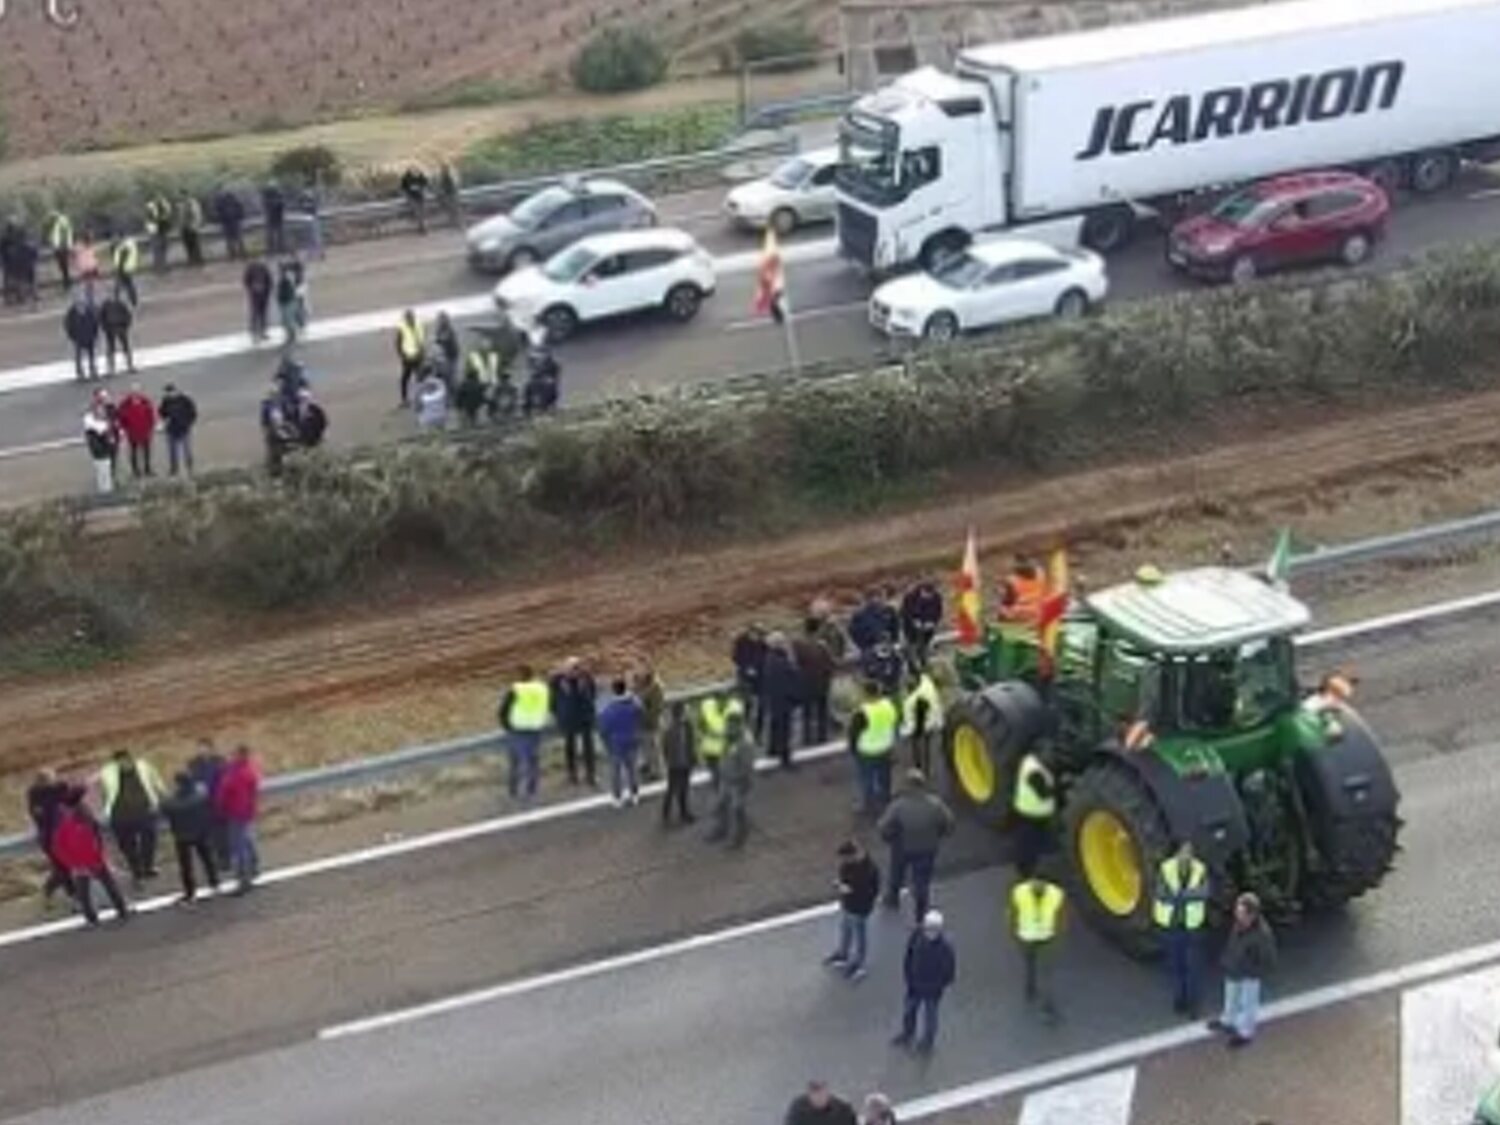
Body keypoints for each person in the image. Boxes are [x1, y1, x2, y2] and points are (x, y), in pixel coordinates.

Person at [878, 769, 954, 923]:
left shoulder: (898, 806)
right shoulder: (935, 804)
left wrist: (889, 838)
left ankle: (892, 899)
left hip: (902, 847)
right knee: (922, 880)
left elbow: (883, 826)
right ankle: (921, 911)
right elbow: (949, 823)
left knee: (896, 873)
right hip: (928, 848)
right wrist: (940, 835)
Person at [52, 787, 130, 926]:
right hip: (94, 862)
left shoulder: (65, 825)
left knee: (84, 892)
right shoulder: (89, 822)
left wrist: (72, 863)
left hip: (79, 864)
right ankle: (122, 910)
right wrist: (98, 860)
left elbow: (59, 847)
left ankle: (91, 919)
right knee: (109, 885)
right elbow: (96, 844)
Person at [1211, 892, 1277, 1048]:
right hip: (1234, 968)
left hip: (1249, 972)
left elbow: (1268, 959)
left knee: (1248, 1002)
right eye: (1237, 911)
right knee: (1231, 995)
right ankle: (1228, 1020)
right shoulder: (1240, 925)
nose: (1237, 915)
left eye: (1241, 912)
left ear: (1252, 914)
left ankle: (1246, 1033)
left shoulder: (1262, 935)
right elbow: (1234, 944)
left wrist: (1253, 970)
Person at [1154, 840, 1211, 1017]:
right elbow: (1162, 894)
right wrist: (1189, 896)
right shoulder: (1166, 869)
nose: (1188, 855)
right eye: (1184, 851)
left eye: (1190, 851)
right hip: (1171, 925)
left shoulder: (1200, 869)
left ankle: (1194, 1005)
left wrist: (1179, 895)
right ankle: (1180, 1000)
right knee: (1176, 966)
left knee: (1192, 967)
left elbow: (1205, 892)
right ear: (1176, 853)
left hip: (1193, 926)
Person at [99, 749, 166, 888]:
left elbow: (155, 779)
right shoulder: (108, 773)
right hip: (120, 816)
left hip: (144, 812)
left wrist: (163, 794)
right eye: (120, 762)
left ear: (130, 759)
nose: (124, 764)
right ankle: (137, 873)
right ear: (116, 763)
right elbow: (104, 791)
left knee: (149, 838)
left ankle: (147, 866)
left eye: (126, 761)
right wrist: (106, 811)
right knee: (128, 846)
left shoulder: (143, 766)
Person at [893, 909, 956, 1053]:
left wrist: (936, 986)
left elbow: (949, 973)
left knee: (930, 1018)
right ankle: (907, 1034)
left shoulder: (945, 948)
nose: (930, 932)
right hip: (914, 985)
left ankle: (927, 1043)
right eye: (928, 927)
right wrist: (908, 976)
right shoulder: (916, 935)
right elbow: (909, 955)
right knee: (909, 1011)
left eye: (934, 929)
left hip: (931, 991)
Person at [1010, 870, 1066, 1021]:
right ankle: (1030, 986)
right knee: (1030, 965)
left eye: (1041, 883)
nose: (1038, 885)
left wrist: (1058, 936)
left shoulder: (1056, 894)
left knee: (1047, 973)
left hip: (1046, 937)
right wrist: (1015, 934)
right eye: (1036, 882)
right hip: (1026, 937)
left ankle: (1048, 1007)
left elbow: (1060, 917)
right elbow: (1013, 915)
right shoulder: (1019, 892)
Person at [160, 772, 220, 904]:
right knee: (207, 859)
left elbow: (163, 809)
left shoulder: (172, 802)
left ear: (178, 784)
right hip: (201, 833)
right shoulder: (201, 796)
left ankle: (190, 892)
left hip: (182, 836)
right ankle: (214, 882)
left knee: (186, 866)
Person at [826, 839, 880, 981]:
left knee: (859, 935)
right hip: (848, 904)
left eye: (844, 858)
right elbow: (844, 878)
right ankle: (843, 953)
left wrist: (849, 890)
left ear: (851, 855)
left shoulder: (868, 869)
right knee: (846, 929)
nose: (842, 861)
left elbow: (870, 891)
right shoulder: (846, 865)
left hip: (860, 907)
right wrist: (841, 885)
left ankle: (859, 962)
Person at [498, 665, 550, 803]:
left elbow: (503, 711)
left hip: (517, 729)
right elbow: (547, 705)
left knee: (515, 762)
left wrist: (507, 726)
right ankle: (531, 792)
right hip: (535, 727)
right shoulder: (541, 689)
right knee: (532, 761)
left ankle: (514, 791)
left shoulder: (515, 690)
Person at [26, 768, 75, 910]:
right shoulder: (37, 796)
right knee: (63, 868)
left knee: (64, 868)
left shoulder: (56, 790)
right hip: (50, 840)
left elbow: (69, 797)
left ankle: (50, 891)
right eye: (50, 779)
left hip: (61, 837)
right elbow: (40, 815)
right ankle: (72, 897)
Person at [216, 745, 261, 893]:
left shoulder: (238, 774)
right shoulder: (247, 770)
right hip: (244, 813)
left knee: (239, 848)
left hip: (237, 814)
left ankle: (243, 880)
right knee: (247, 843)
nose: (230, 757)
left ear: (240, 756)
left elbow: (229, 793)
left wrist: (223, 809)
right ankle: (253, 869)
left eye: (233, 755)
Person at [847, 682, 899, 812]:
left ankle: (868, 804)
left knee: (866, 779)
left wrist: (853, 750)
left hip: (867, 751)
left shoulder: (862, 713)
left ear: (865, 693)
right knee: (885, 777)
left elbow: (853, 734)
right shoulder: (888, 705)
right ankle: (886, 797)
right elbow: (895, 724)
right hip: (886, 747)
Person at [707, 709, 754, 849]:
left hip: (737, 783)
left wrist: (742, 784)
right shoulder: (730, 737)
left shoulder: (745, 743)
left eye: (731, 726)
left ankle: (740, 838)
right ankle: (721, 830)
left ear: (739, 725)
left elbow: (747, 767)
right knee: (720, 806)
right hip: (726, 779)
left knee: (737, 810)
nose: (728, 728)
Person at [550, 658, 598, 787]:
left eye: (577, 668)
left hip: (584, 717)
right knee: (570, 748)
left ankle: (590, 774)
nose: (575, 671)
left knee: (588, 747)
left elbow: (593, 694)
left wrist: (585, 696)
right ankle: (572, 775)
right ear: (565, 669)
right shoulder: (557, 682)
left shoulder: (586, 679)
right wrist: (558, 714)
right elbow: (552, 700)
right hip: (569, 718)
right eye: (572, 668)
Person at [794, 612, 838, 746]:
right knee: (821, 713)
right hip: (822, 684)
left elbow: (795, 664)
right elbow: (831, 665)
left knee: (807, 714)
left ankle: (806, 739)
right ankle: (822, 738)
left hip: (805, 685)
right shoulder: (822, 646)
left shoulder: (798, 645)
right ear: (818, 629)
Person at [598, 678, 644, 808]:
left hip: (615, 744)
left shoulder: (609, 710)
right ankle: (635, 794)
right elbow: (641, 716)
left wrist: (606, 743)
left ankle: (617, 797)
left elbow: (603, 729)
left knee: (616, 771)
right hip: (632, 740)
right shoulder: (633, 705)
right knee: (632, 769)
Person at [1012, 748, 1057, 875]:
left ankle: (1031, 866)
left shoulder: (1029, 761)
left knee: (1033, 841)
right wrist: (1059, 788)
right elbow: (1044, 793)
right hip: (1031, 813)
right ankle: (1025, 871)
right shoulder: (1034, 771)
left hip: (1033, 811)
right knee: (1028, 843)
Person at [186, 738, 230, 868]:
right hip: (203, 804)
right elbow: (192, 781)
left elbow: (226, 780)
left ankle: (225, 858)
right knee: (209, 834)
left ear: (211, 748)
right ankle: (215, 859)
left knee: (222, 833)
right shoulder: (193, 764)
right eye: (200, 748)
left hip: (220, 802)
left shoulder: (220, 761)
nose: (202, 751)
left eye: (205, 748)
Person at [762, 632, 800, 768]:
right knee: (784, 730)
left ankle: (772, 750)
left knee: (775, 727)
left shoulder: (769, 659)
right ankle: (785, 759)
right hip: (784, 700)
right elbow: (791, 678)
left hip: (774, 699)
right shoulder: (781, 661)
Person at [901, 662, 943, 777]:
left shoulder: (914, 699)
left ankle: (920, 770)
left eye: (908, 679)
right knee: (926, 747)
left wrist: (907, 732)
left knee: (919, 746)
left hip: (923, 724)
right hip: (933, 720)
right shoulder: (926, 682)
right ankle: (924, 769)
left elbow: (915, 721)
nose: (905, 681)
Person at [660, 700, 698, 826]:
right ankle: (671, 813)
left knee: (681, 789)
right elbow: (666, 748)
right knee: (674, 789)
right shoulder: (674, 728)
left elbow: (666, 748)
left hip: (681, 763)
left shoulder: (682, 727)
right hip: (677, 764)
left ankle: (681, 812)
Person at [697, 690, 743, 792]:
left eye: (724, 701)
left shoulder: (735, 708)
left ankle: (724, 795)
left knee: (726, 775)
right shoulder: (707, 707)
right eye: (719, 701)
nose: (722, 704)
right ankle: (720, 793)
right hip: (710, 750)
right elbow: (700, 725)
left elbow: (739, 729)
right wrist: (707, 732)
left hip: (726, 749)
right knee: (716, 776)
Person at [731, 624, 768, 739]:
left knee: (761, 706)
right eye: (756, 634)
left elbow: (766, 658)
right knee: (746, 705)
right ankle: (745, 731)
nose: (757, 637)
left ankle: (758, 733)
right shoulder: (741, 642)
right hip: (745, 678)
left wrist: (758, 668)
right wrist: (746, 668)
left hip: (760, 679)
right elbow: (736, 658)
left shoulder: (763, 644)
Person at [900, 579, 944, 667]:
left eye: (930, 596)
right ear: (922, 591)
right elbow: (904, 613)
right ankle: (912, 665)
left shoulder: (936, 597)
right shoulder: (910, 597)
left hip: (928, 628)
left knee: (924, 647)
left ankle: (925, 663)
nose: (928, 597)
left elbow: (938, 612)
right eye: (926, 595)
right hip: (910, 628)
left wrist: (932, 622)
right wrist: (914, 622)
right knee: (912, 647)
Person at [116, 383, 156, 479]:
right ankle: (135, 471)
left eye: (137, 390)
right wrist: (123, 428)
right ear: (131, 392)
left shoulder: (145, 401)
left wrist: (151, 427)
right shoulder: (125, 403)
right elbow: (120, 417)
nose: (136, 392)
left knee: (147, 452)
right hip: (132, 432)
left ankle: (147, 469)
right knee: (133, 452)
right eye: (134, 391)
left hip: (145, 431)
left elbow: (151, 415)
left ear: (140, 391)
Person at [158, 383, 198, 476]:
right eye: (167, 393)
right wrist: (164, 421)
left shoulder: (185, 400)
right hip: (171, 431)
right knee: (172, 452)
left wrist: (188, 423)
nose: (169, 394)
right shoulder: (165, 401)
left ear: (175, 391)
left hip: (184, 430)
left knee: (187, 451)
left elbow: (193, 412)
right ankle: (174, 470)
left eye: (170, 392)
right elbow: (161, 413)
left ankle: (190, 468)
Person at [634, 665, 666, 782]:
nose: (638, 672)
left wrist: (648, 717)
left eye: (641, 669)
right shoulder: (638, 684)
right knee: (645, 746)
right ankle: (647, 765)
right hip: (641, 722)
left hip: (652, 723)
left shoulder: (656, 687)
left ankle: (657, 771)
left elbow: (656, 708)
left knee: (654, 747)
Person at [849, 587, 900, 655]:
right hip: (870, 649)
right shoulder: (859, 616)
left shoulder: (889, 611)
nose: (876, 600)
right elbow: (855, 633)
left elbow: (895, 627)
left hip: (889, 646)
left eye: (880, 597)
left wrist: (895, 641)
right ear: (868, 600)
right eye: (873, 597)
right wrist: (866, 646)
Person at [784, 1081, 857, 1125]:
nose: (819, 1096)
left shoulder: (843, 1112)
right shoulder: (798, 1111)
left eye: (822, 1090)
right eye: (815, 1091)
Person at [64, 292, 100, 381]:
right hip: (78, 337)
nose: (81, 302)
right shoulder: (72, 312)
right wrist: (72, 336)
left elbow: (94, 322)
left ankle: (93, 370)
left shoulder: (89, 310)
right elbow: (68, 325)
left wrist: (95, 334)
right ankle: (80, 372)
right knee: (79, 355)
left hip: (89, 336)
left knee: (91, 355)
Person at [99, 288, 135, 376]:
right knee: (111, 349)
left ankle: (129, 365)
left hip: (120, 327)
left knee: (125, 347)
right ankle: (111, 368)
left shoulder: (120, 304)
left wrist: (126, 325)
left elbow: (127, 315)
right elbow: (101, 317)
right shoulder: (106, 305)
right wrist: (105, 328)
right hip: (110, 329)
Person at [1000, 556, 1046, 624]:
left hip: (1021, 614)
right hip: (1038, 610)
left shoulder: (1012, 581)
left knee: (1005, 612)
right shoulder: (1040, 574)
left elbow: (1008, 603)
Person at [83, 401, 117, 494]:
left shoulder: (103, 423)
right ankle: (105, 491)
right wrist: (107, 443)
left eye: (102, 411)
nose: (102, 413)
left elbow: (109, 436)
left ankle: (107, 489)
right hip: (100, 454)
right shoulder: (92, 428)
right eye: (99, 411)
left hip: (105, 453)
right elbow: (95, 442)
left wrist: (110, 441)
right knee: (102, 473)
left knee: (106, 473)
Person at [395, 309, 426, 406]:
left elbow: (422, 339)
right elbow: (398, 344)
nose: (409, 320)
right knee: (405, 379)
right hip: (408, 358)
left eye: (411, 318)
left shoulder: (418, 325)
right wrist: (403, 356)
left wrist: (421, 352)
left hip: (418, 357)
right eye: (408, 318)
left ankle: (421, 397)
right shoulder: (402, 328)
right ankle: (405, 399)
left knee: (420, 378)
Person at [244, 257, 273, 342]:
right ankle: (255, 332)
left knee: (261, 313)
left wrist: (267, 290)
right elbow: (246, 281)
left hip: (262, 294)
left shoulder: (263, 268)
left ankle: (261, 331)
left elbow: (269, 280)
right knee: (256, 313)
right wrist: (252, 289)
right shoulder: (252, 268)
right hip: (256, 295)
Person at [46, 208, 74, 291]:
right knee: (63, 266)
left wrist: (65, 245)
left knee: (64, 265)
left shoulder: (61, 222)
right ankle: (66, 281)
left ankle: (67, 282)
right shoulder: (60, 222)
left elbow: (62, 235)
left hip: (62, 247)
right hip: (61, 247)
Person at [215, 187, 247, 259]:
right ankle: (241, 254)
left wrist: (221, 219)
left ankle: (234, 255)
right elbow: (241, 210)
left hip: (229, 222)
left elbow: (218, 212)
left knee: (231, 240)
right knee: (237, 239)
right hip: (233, 222)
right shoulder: (235, 200)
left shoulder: (222, 201)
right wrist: (240, 217)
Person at [413, 367, 449, 431]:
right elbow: (446, 401)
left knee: (428, 429)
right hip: (441, 416)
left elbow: (417, 405)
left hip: (426, 418)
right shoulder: (441, 383)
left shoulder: (420, 387)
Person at [110, 231, 140, 308]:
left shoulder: (124, 246)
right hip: (127, 268)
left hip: (124, 268)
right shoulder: (126, 244)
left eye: (116, 237)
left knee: (120, 287)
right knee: (128, 286)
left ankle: (119, 303)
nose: (114, 239)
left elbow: (121, 258)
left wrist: (119, 269)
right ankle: (133, 302)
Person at [145, 193, 173, 272]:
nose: (159, 199)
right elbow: (153, 218)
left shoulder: (164, 205)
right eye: (158, 197)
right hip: (154, 230)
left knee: (163, 248)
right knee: (157, 249)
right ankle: (159, 266)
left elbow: (167, 215)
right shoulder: (151, 206)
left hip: (162, 229)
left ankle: (163, 265)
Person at [432, 311, 460, 389]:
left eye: (442, 320)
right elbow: (437, 342)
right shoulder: (439, 330)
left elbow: (444, 339)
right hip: (444, 356)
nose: (440, 322)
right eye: (440, 320)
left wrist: (437, 340)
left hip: (451, 356)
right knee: (444, 375)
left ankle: (452, 389)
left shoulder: (449, 330)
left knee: (451, 376)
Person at [401, 164, 430, 234]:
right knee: (418, 213)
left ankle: (422, 227)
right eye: (412, 169)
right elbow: (403, 188)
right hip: (412, 197)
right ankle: (423, 228)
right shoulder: (406, 177)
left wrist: (422, 189)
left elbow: (426, 184)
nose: (413, 170)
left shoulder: (420, 175)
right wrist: (407, 195)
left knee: (422, 213)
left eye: (414, 169)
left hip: (420, 196)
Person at [179, 192, 205, 267]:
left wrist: (195, 225)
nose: (181, 196)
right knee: (188, 245)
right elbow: (181, 217)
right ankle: (191, 260)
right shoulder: (181, 204)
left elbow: (197, 215)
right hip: (185, 227)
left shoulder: (192, 203)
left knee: (195, 244)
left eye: (182, 195)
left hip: (191, 227)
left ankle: (198, 260)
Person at [261, 182, 287, 255]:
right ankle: (271, 250)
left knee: (279, 235)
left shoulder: (279, 195)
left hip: (278, 218)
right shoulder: (266, 197)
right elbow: (265, 205)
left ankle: (281, 249)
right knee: (270, 236)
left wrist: (278, 203)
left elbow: (282, 205)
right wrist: (273, 204)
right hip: (271, 218)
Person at [437, 161, 463, 227]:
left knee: (454, 207)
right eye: (442, 168)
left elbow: (455, 183)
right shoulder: (443, 175)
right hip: (448, 193)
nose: (443, 169)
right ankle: (454, 221)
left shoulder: (450, 174)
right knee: (451, 207)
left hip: (452, 193)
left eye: (444, 168)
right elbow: (442, 184)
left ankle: (457, 222)